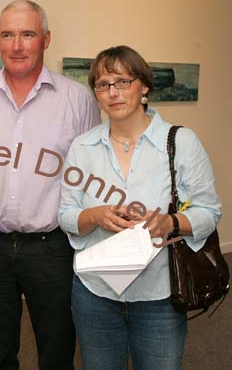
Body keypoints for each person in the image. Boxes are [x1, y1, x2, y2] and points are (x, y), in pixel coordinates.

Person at [0, 0, 101, 370]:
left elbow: (90, 174)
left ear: (46, 40)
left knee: (57, 352)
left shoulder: (77, 99)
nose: (16, 45)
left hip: (53, 250)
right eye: (7, 35)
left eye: (27, 34)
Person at [58, 45, 221, 370]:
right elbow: (65, 215)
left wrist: (170, 223)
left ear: (144, 85)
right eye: (103, 85)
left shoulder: (181, 143)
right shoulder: (82, 147)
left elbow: (209, 211)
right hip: (95, 294)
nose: (112, 93)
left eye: (122, 81)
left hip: (159, 296)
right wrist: (94, 216)